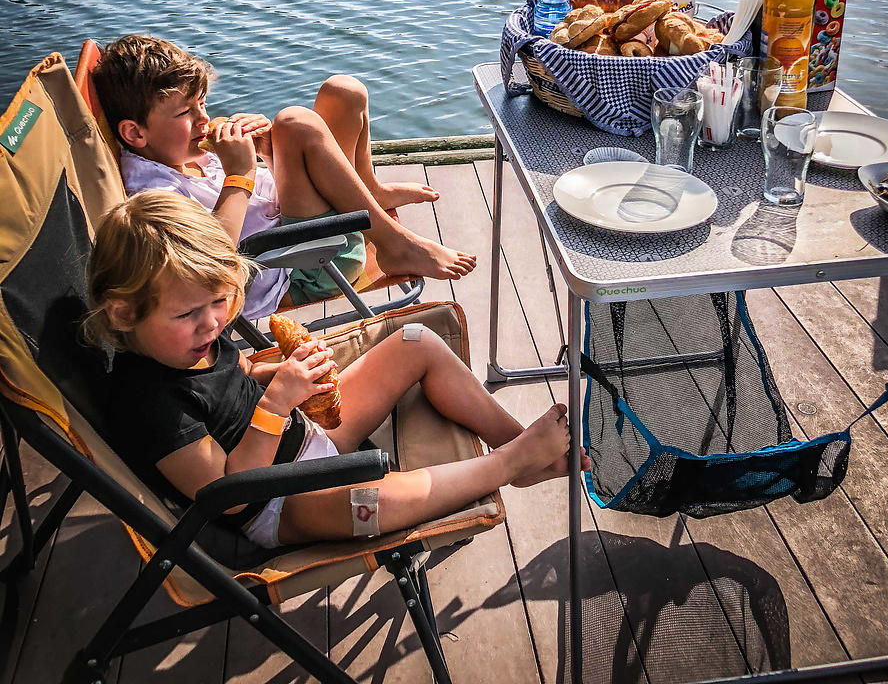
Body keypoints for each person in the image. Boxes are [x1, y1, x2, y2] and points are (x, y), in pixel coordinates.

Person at [86, 191, 587, 549]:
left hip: (303, 435)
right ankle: (510, 463)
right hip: (277, 501)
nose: (213, 322)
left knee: (415, 342)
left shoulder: (190, 344)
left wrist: (283, 376)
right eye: (187, 314)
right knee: (365, 501)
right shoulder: (148, 402)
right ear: (125, 314)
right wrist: (277, 403)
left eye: (219, 302)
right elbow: (228, 498)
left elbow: (232, 382)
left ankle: (518, 442)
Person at [91, 35, 476, 317]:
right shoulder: (152, 194)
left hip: (303, 228)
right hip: (303, 266)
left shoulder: (174, 150)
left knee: (343, 92)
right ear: (135, 133)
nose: (204, 120)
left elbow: (269, 196)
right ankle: (396, 245)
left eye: (202, 104)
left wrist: (267, 153)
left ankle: (368, 191)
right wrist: (240, 173)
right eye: (185, 113)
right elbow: (210, 266)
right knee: (296, 123)